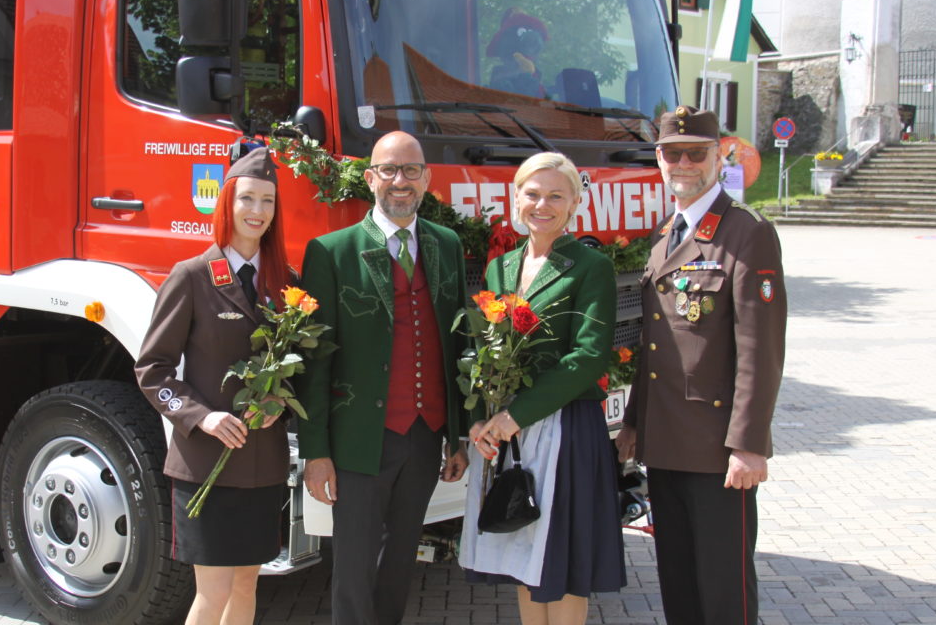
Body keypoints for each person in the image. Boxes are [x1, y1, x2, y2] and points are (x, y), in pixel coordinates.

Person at [615, 106, 788, 625]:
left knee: (723, 590)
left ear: (719, 157)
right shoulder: (665, 232)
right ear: (659, 159)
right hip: (665, 444)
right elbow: (655, 345)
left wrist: (750, 445)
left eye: (697, 153)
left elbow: (761, 349)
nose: (684, 163)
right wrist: (634, 424)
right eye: (673, 153)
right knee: (679, 583)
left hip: (718, 452)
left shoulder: (747, 233)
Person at [298, 131, 470, 625]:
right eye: (389, 170)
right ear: (370, 178)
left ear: (427, 179)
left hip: (424, 434)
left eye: (411, 170)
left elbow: (455, 344)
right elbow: (314, 362)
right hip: (357, 439)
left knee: (400, 562)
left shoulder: (447, 245)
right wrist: (316, 451)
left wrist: (455, 437)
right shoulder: (331, 251)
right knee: (354, 567)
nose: (400, 181)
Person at [461, 152, 626, 624]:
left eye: (556, 195)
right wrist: (487, 416)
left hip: (565, 427)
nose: (542, 205)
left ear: (575, 203)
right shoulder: (501, 268)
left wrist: (515, 414)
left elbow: (589, 356)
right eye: (532, 194)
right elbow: (487, 350)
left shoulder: (590, 266)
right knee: (524, 558)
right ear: (516, 198)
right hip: (511, 429)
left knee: (564, 562)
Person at [135, 147, 293, 625]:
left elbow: (300, 368)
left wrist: (280, 401)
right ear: (227, 204)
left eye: (267, 201)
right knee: (214, 591)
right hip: (208, 466)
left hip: (262, 465)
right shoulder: (191, 277)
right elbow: (153, 369)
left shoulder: (285, 285)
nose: (257, 212)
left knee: (248, 582)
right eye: (248, 199)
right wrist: (202, 415)